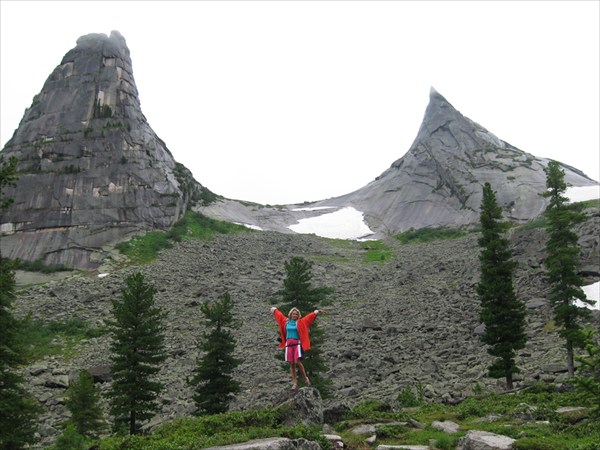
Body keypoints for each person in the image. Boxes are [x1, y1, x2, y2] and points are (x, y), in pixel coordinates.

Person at [271, 306, 320, 390]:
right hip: (288, 344)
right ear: (290, 314)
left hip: (297, 344)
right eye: (293, 314)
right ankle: (294, 383)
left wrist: (315, 313)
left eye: (296, 314)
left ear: (298, 315)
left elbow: (308, 318)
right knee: (292, 363)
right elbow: (280, 316)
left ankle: (305, 379)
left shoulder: (300, 322)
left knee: (297, 362)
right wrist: (275, 310)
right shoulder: (286, 322)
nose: (295, 315)